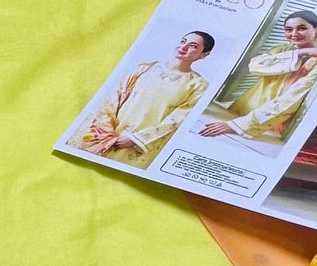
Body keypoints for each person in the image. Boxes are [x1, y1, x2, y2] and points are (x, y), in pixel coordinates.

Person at [77, 30, 214, 168]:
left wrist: (136, 139)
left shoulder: (198, 85)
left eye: (193, 46)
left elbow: (178, 120)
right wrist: (108, 134)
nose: (183, 47)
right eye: (183, 41)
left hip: (139, 147)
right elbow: (112, 101)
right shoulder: (143, 69)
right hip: (109, 134)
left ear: (204, 55)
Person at [199, 9, 317, 143]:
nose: (294, 34)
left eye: (302, 28)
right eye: (288, 29)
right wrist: (302, 52)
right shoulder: (282, 49)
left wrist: (240, 125)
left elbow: (291, 98)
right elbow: (255, 66)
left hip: (264, 122)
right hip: (241, 109)